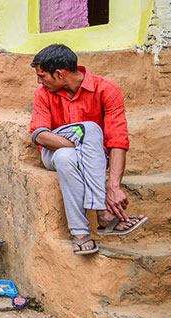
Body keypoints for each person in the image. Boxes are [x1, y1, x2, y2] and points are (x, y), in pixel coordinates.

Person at [29, 44, 148, 254]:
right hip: (53, 151)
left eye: (42, 76)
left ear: (59, 74)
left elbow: (118, 140)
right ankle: (102, 211)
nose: (39, 81)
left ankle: (80, 233)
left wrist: (114, 186)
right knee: (90, 130)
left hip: (76, 156)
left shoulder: (106, 90)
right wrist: (84, 146)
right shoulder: (43, 94)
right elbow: (39, 135)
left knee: (67, 157)